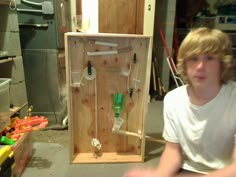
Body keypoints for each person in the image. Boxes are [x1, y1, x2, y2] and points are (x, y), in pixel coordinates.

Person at [123, 27, 236, 177]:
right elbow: (172, 151)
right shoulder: (173, 100)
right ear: (184, 63)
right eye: (193, 58)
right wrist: (158, 175)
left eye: (209, 58)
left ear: (222, 62)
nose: (200, 66)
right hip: (189, 170)